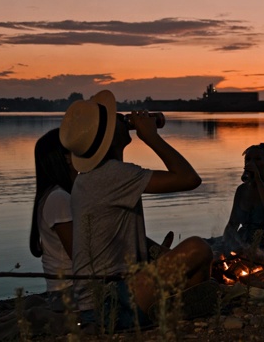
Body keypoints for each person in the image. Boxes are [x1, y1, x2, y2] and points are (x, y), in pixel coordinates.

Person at [59, 90, 215, 330]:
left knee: (187, 261)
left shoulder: (88, 178)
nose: (124, 119)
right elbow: (189, 178)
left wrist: (158, 251)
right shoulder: (111, 175)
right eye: (117, 119)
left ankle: (178, 307)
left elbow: (118, 237)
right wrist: (151, 137)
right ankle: (186, 308)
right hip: (114, 303)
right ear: (111, 137)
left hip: (98, 303)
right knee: (198, 248)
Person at [29, 127, 76, 311]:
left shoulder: (59, 195)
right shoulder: (59, 198)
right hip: (69, 293)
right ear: (65, 158)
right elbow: (79, 255)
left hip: (70, 290)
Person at [221, 143, 264, 255]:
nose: (252, 162)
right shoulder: (241, 190)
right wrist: (225, 245)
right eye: (248, 159)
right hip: (242, 243)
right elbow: (232, 224)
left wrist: (258, 179)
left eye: (257, 159)